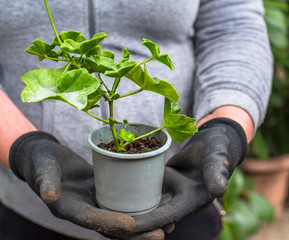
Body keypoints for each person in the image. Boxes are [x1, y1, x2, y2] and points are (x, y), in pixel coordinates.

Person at [0, 0, 273, 239]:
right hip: (29, 210)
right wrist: (24, 149)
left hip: (180, 196)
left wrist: (226, 124)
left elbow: (234, 25)